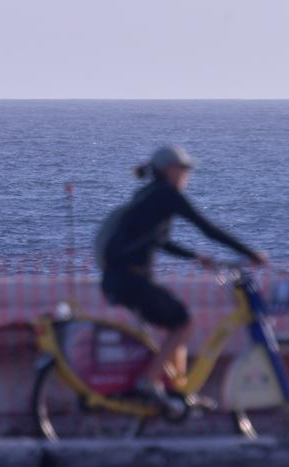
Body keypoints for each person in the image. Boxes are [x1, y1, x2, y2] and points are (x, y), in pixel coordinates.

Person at [98, 145, 266, 406]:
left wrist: (195, 257)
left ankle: (178, 390)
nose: (187, 175)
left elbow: (158, 240)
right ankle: (149, 383)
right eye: (184, 170)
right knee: (183, 323)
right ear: (170, 170)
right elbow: (207, 227)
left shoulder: (147, 194)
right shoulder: (167, 194)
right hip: (132, 280)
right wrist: (251, 252)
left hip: (120, 278)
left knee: (175, 322)